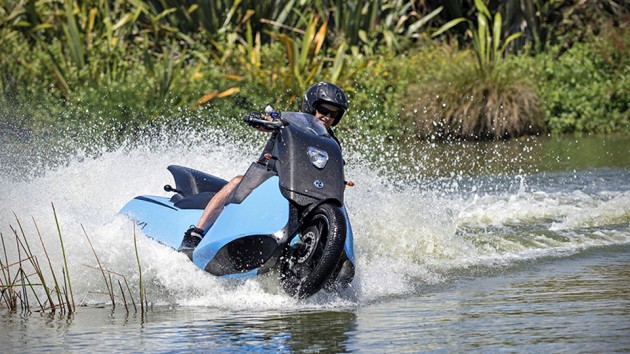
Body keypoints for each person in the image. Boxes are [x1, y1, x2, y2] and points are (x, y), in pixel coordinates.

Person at [178, 82, 349, 259]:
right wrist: (260, 120)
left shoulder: (332, 143)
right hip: (271, 173)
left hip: (305, 187)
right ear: (311, 105)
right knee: (237, 181)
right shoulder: (289, 122)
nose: (327, 116)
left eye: (334, 113)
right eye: (323, 110)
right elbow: (268, 122)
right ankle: (196, 233)